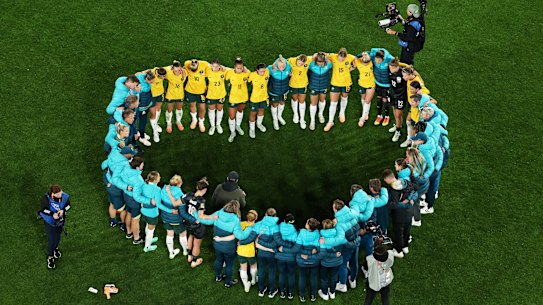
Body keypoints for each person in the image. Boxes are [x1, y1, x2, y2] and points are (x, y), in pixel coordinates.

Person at [197, 200, 253, 288]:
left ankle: (218, 277)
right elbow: (240, 236)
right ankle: (228, 282)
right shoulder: (235, 219)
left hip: (217, 245)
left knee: (219, 260)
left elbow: (207, 221)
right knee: (229, 264)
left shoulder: (219, 213)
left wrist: (195, 213)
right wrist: (249, 228)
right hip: (229, 248)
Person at [283, 218, 321, 302]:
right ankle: (313, 296)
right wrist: (311, 252)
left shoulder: (301, 234)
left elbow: (295, 249)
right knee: (314, 277)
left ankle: (302, 296)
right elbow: (319, 249)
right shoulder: (317, 234)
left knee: (302, 277)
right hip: (314, 261)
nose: (306, 222)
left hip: (301, 261)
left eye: (307, 222)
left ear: (308, 226)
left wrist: (283, 249)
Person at [180, 177, 214, 268]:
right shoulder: (201, 201)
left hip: (188, 222)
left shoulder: (188, 195)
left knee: (191, 236)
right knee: (197, 243)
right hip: (197, 224)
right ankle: (194, 261)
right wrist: (212, 217)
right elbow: (200, 215)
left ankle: (189, 256)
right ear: (205, 190)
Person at [101, 146, 137, 230]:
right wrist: (126, 187)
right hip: (116, 188)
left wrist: (107, 181)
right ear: (126, 154)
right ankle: (123, 225)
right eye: (131, 154)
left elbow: (104, 165)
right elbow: (119, 180)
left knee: (112, 203)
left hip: (109, 184)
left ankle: (113, 221)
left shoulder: (114, 154)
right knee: (122, 209)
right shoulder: (124, 165)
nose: (132, 155)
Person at [382, 169, 416, 258]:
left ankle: (399, 250)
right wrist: (409, 200)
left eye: (385, 180)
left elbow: (395, 205)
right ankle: (405, 247)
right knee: (407, 229)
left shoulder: (394, 190)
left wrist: (385, 203)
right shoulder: (405, 182)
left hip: (399, 215)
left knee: (398, 233)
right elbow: (415, 188)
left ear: (387, 179)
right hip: (409, 211)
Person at [111, 156, 145, 244]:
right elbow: (137, 196)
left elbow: (117, 179)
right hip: (134, 200)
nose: (143, 166)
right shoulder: (138, 180)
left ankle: (129, 233)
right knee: (135, 219)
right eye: (142, 165)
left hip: (126, 195)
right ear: (137, 167)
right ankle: (136, 238)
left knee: (129, 213)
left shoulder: (125, 168)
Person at [315, 219, 349, 301]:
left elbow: (321, 252)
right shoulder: (339, 236)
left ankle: (325, 293)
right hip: (337, 261)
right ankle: (332, 293)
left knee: (323, 278)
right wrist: (335, 254)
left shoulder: (321, 239)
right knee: (334, 277)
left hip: (325, 263)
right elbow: (343, 247)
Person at [331, 198, 360, 293]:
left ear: (336, 209)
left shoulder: (337, 223)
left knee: (343, 265)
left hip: (347, 246)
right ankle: (353, 280)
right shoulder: (352, 214)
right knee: (354, 261)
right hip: (355, 241)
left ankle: (342, 285)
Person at [39, 185, 71, 269]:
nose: (60, 195)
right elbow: (43, 209)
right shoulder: (46, 199)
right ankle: (50, 257)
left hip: (60, 221)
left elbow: (68, 205)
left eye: (61, 193)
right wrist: (53, 214)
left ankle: (55, 248)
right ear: (53, 194)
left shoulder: (64, 196)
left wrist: (63, 210)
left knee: (58, 237)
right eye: (58, 194)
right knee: (51, 240)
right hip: (50, 222)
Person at [324, 48, 356, 132]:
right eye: (340, 58)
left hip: (346, 83)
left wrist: (353, 67)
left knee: (344, 98)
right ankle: (330, 122)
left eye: (343, 59)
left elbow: (356, 58)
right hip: (335, 83)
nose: (342, 60)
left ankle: (342, 113)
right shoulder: (333, 56)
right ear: (338, 55)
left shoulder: (350, 57)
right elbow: (323, 54)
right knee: (333, 102)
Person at [412, 132, 443, 215]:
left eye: (416, 140)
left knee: (430, 190)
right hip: (436, 170)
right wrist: (438, 166)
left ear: (421, 141)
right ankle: (427, 202)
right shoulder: (431, 140)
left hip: (432, 172)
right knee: (431, 188)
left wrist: (425, 176)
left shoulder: (424, 150)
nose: (414, 141)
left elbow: (431, 166)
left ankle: (429, 207)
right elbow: (440, 152)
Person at [133, 171, 162, 252]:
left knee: (147, 225)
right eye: (159, 177)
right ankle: (147, 247)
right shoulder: (157, 189)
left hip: (144, 211)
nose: (160, 178)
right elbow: (158, 203)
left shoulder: (144, 185)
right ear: (155, 179)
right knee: (151, 230)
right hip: (152, 213)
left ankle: (148, 239)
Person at [159, 175, 186, 259]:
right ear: (179, 184)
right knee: (183, 234)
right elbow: (182, 211)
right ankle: (185, 250)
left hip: (165, 218)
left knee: (169, 234)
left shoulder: (163, 190)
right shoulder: (180, 196)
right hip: (177, 219)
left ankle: (171, 252)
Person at [273, 213, 298, 300]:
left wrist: (282, 249)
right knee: (291, 275)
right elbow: (294, 246)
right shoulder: (295, 231)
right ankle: (290, 293)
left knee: (282, 274)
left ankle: (282, 292)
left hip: (280, 257)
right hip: (291, 257)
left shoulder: (279, 227)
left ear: (284, 220)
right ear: (292, 221)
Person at [400, 77, 431, 147]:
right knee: (408, 122)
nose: (410, 90)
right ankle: (409, 140)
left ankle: (413, 147)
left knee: (416, 132)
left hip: (418, 117)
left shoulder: (422, 96)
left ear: (417, 89)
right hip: (413, 112)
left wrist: (426, 103)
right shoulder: (414, 94)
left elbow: (432, 99)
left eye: (412, 89)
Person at [367, 48, 395, 126]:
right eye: (376, 60)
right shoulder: (373, 55)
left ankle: (386, 116)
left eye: (379, 60)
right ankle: (379, 115)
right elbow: (367, 52)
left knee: (385, 100)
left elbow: (397, 65)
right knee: (379, 99)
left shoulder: (389, 59)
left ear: (383, 59)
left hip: (387, 84)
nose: (377, 62)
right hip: (378, 83)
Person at [225, 57, 251, 143]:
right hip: (233, 98)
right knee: (232, 116)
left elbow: (252, 77)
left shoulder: (247, 73)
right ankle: (232, 132)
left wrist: (246, 70)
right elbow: (223, 74)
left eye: (241, 68)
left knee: (240, 111)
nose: (240, 70)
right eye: (238, 68)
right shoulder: (230, 73)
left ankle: (238, 126)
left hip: (243, 97)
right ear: (234, 67)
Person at [363, 239, 394, 305]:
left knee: (368, 300)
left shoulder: (370, 259)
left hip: (374, 282)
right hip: (386, 280)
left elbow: (366, 268)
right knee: (385, 299)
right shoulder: (390, 253)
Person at [307, 52, 333, 130]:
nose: (320, 64)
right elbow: (304, 58)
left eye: (322, 62)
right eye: (319, 62)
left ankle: (320, 114)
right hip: (313, 86)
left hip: (324, 86)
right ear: (315, 60)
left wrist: (326, 56)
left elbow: (332, 58)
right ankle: (312, 121)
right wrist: (313, 55)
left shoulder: (328, 64)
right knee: (313, 103)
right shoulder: (311, 64)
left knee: (322, 100)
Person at [184, 58, 210, 132]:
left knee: (202, 108)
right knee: (192, 105)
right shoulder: (187, 64)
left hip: (202, 92)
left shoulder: (204, 64)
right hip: (190, 91)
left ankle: (201, 121)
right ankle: (194, 120)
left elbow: (214, 66)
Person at [406, 147, 429, 227]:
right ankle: (422, 200)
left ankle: (417, 220)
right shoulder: (422, 160)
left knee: (415, 204)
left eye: (407, 155)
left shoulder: (412, 169)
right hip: (426, 185)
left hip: (420, 188)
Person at [268, 55, 291, 130]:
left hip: (284, 90)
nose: (282, 69)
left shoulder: (288, 67)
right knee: (275, 105)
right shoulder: (271, 69)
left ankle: (279, 116)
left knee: (282, 103)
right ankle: (275, 120)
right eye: (280, 67)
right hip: (275, 91)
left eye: (283, 67)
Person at [288, 54, 312, 129]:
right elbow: (282, 62)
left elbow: (315, 56)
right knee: (295, 99)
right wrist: (288, 72)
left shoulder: (308, 60)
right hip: (293, 84)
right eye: (299, 63)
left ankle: (302, 119)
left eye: (302, 64)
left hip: (303, 84)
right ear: (297, 59)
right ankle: (296, 114)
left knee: (302, 101)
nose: (300, 64)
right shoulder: (291, 60)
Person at [387, 58, 408, 142]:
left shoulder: (403, 73)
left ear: (397, 67)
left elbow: (412, 72)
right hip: (392, 94)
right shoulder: (390, 71)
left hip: (400, 96)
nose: (390, 70)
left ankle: (398, 131)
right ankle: (397, 125)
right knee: (394, 111)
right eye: (390, 68)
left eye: (392, 68)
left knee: (398, 114)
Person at [205, 59, 228, 135]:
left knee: (219, 109)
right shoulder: (208, 70)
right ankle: (212, 126)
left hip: (221, 94)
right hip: (211, 95)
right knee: (211, 110)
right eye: (213, 66)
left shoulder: (223, 71)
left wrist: (223, 67)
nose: (214, 68)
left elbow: (234, 70)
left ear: (219, 66)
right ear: (211, 65)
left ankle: (218, 124)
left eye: (217, 67)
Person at [164, 61, 187, 133]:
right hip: (170, 95)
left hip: (180, 95)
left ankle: (178, 122)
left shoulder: (184, 73)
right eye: (176, 70)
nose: (177, 72)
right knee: (169, 110)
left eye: (179, 70)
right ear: (172, 68)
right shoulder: (168, 73)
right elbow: (160, 70)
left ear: (182, 68)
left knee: (179, 109)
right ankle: (169, 123)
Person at [247, 63, 270, 139]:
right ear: (257, 70)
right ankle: (252, 129)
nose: (263, 73)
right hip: (254, 98)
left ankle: (259, 124)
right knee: (253, 113)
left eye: (264, 71)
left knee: (261, 111)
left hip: (264, 97)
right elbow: (247, 80)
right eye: (261, 71)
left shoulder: (267, 72)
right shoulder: (252, 75)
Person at [354, 52, 376, 127]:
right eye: (365, 62)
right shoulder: (358, 62)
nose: (366, 63)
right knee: (363, 99)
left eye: (367, 62)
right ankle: (366, 113)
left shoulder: (371, 62)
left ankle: (362, 118)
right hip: (362, 84)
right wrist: (360, 55)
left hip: (371, 84)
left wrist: (365, 54)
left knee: (367, 101)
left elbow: (370, 52)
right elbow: (354, 58)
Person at [135, 71, 155, 147]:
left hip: (144, 103)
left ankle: (139, 132)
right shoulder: (145, 88)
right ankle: (142, 137)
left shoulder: (141, 75)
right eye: (151, 82)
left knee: (139, 120)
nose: (152, 83)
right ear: (147, 79)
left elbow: (137, 74)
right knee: (143, 121)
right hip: (142, 106)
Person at [148, 67, 167, 142]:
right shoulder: (151, 74)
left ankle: (156, 124)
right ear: (157, 74)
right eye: (161, 76)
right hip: (152, 96)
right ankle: (155, 132)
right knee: (153, 114)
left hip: (160, 94)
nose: (163, 78)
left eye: (164, 77)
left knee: (158, 110)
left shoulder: (161, 70)